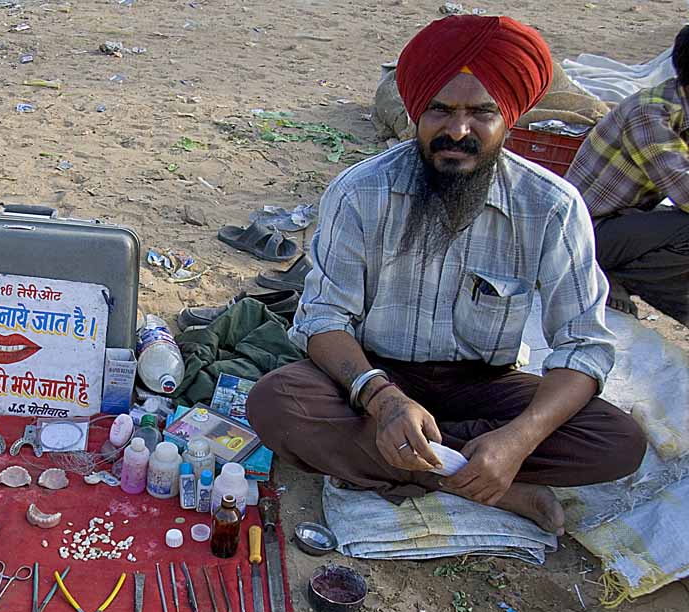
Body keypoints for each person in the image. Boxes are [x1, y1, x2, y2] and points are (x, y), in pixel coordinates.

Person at [246, 15, 647, 537]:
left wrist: (518, 439)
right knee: (276, 402)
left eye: (481, 112)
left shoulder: (551, 207)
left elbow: (584, 346)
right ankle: (475, 481)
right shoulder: (360, 192)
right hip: (374, 375)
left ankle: (443, 463)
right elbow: (323, 317)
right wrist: (383, 399)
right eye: (440, 109)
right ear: (416, 113)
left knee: (617, 440)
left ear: (509, 118)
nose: (458, 131)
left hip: (484, 385)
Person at [566, 26, 689, 325]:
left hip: (622, 221)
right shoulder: (651, 112)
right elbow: (685, 191)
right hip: (580, 236)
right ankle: (607, 274)